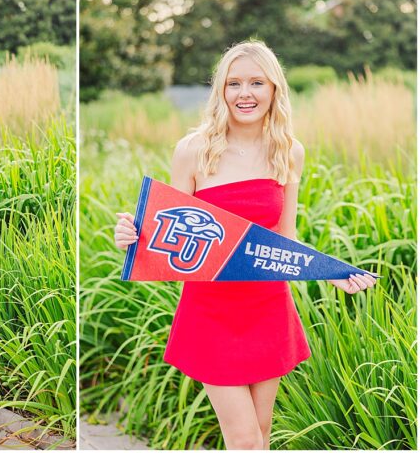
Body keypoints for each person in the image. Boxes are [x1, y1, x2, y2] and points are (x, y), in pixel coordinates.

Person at [113, 41, 376, 450]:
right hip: (211, 309)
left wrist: (332, 273)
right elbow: (169, 231)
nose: (245, 93)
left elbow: (285, 239)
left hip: (267, 304)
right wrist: (132, 236)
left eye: (256, 82)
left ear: (274, 89)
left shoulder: (289, 153)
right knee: (244, 439)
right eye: (234, 83)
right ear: (221, 91)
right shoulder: (194, 151)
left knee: (262, 432)